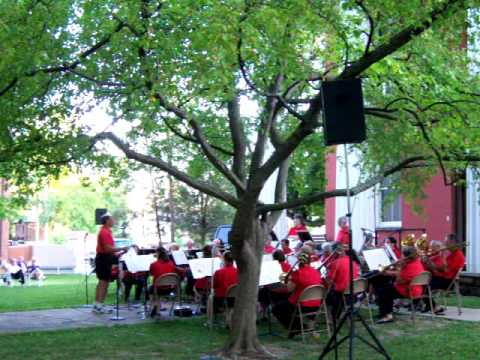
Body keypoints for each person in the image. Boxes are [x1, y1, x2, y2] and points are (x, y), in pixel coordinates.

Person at [272, 251, 323, 338]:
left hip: (302, 305)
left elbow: (289, 289)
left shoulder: (298, 273)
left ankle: (297, 328)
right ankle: (302, 326)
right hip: (317, 303)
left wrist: (289, 280)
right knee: (285, 307)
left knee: (277, 309)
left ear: (299, 262)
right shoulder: (316, 272)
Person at [375, 246, 425, 324]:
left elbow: (399, 281)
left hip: (408, 291)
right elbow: (404, 275)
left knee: (383, 291)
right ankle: (384, 312)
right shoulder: (417, 262)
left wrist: (399, 267)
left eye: (402, 255)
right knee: (386, 288)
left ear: (405, 256)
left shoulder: (408, 266)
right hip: (416, 289)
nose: (401, 257)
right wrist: (388, 273)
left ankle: (387, 315)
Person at [93, 214, 130, 314]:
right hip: (103, 259)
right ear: (107, 221)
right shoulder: (104, 232)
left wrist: (120, 252)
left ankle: (97, 305)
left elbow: (109, 250)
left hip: (104, 258)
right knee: (104, 283)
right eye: (112, 219)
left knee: (102, 282)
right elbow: (107, 249)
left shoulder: (106, 231)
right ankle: (99, 306)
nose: (114, 221)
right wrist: (122, 248)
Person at [423, 235, 465, 314]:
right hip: (443, 278)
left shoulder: (458, 255)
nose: (445, 245)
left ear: (452, 243)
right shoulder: (451, 254)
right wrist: (429, 261)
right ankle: (429, 305)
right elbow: (441, 269)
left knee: (424, 286)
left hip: (448, 282)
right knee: (422, 282)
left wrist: (442, 255)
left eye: (446, 243)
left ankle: (434, 307)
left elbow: (445, 270)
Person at [325, 244, 360, 319]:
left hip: (342, 292)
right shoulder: (353, 262)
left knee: (326, 295)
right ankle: (340, 313)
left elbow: (330, 281)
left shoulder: (336, 263)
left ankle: (332, 316)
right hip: (353, 291)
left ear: (336, 252)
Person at [149, 246, 179, 317]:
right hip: (170, 289)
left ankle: (156, 306)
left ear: (158, 255)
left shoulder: (154, 264)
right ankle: (157, 308)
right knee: (156, 288)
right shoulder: (171, 263)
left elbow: (151, 274)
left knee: (151, 289)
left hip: (158, 289)